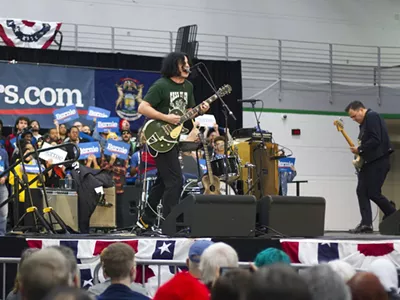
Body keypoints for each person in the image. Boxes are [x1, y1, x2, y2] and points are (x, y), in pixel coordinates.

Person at [137, 51, 209, 230]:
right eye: (182, 63)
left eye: (187, 63)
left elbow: (189, 110)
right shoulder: (161, 85)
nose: (187, 66)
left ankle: (145, 221)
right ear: (173, 66)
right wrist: (166, 118)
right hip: (160, 137)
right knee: (176, 180)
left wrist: (200, 111)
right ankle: (170, 224)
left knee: (162, 182)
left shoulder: (189, 87)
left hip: (174, 139)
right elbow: (142, 107)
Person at [345, 101, 396, 233]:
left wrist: (360, 149)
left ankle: (392, 213)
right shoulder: (363, 124)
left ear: (361, 110)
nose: (353, 119)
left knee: (373, 192)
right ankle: (366, 223)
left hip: (379, 161)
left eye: (354, 116)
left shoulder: (372, 117)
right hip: (369, 162)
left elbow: (375, 139)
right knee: (361, 191)